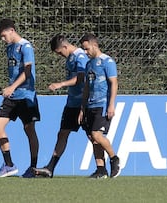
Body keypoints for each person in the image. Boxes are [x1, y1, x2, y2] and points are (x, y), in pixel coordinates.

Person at [32, 34, 110, 179]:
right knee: (62, 133)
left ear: (65, 46)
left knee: (94, 137)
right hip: (71, 103)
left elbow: (81, 77)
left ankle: (102, 168)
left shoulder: (80, 56)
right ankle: (50, 168)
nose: (60, 55)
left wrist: (61, 84)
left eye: (60, 52)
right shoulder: (71, 58)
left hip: (83, 103)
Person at [0, 18, 40, 178]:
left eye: (3, 35)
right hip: (13, 96)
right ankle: (9, 165)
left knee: (29, 130)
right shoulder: (9, 48)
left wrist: (12, 87)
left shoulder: (25, 47)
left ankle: (33, 167)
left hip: (26, 95)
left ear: (11, 30)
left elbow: (27, 72)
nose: (2, 38)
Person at [77, 33, 121, 178]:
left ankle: (114, 159)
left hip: (102, 104)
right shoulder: (89, 64)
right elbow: (87, 88)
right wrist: (82, 108)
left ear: (94, 45)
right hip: (90, 105)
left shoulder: (107, 61)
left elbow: (113, 83)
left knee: (97, 134)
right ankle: (101, 170)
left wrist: (111, 105)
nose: (85, 52)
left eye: (87, 48)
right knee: (92, 137)